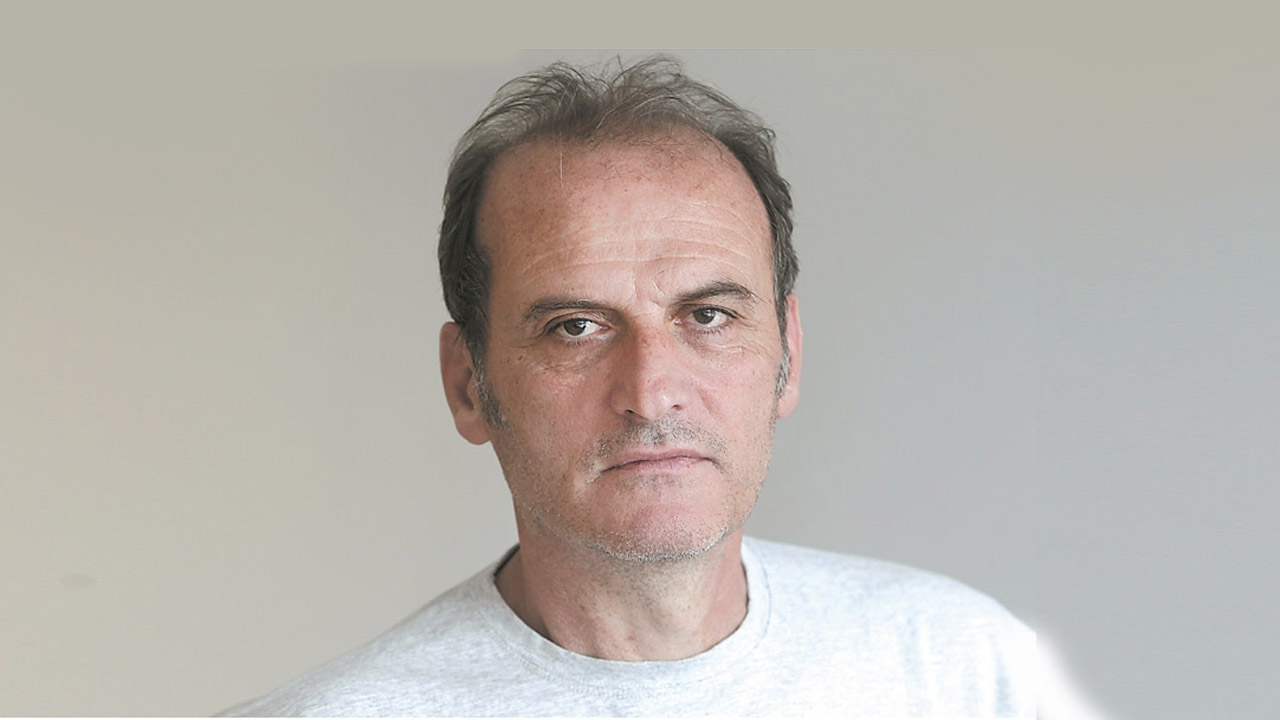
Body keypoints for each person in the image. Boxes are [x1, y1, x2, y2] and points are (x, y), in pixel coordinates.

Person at [225, 56, 1035, 717]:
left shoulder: (960, 669)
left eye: (709, 316)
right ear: (468, 384)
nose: (651, 394)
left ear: (787, 353)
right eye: (575, 326)